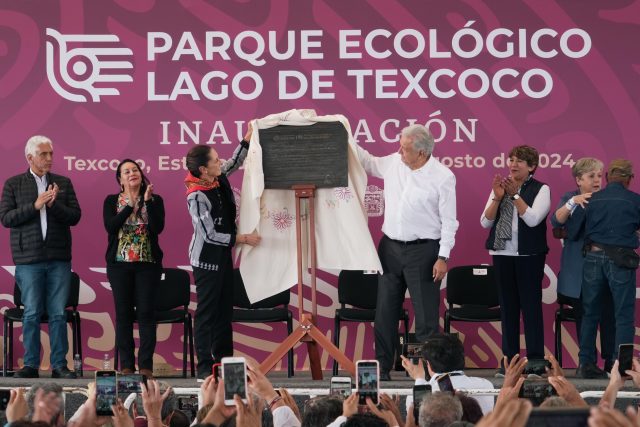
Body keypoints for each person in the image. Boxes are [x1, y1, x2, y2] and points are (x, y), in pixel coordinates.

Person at [355, 124, 459, 381]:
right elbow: (367, 161)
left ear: (422, 153)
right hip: (390, 248)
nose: (399, 152)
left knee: (425, 318)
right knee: (385, 312)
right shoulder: (393, 163)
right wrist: (344, 134)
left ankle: (427, 372)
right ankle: (382, 368)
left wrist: (442, 257)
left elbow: (449, 221)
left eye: (404, 149)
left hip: (424, 252)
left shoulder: (443, 177)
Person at [0, 135, 81, 379]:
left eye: (51, 154)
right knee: (32, 312)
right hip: (28, 259)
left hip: (59, 258)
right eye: (43, 154)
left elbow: (75, 217)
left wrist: (53, 204)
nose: (49, 158)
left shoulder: (63, 183)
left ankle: (59, 365)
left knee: (57, 312)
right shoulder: (13, 184)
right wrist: (35, 205)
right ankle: (31, 365)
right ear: (30, 157)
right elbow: (6, 218)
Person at [185, 124, 261, 380]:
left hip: (223, 257)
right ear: (204, 169)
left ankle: (225, 362)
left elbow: (234, 162)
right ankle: (205, 367)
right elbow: (209, 235)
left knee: (223, 311)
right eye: (216, 160)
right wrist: (243, 238)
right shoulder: (196, 196)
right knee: (207, 313)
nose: (221, 162)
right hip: (206, 260)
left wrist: (246, 140)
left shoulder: (216, 177)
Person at [480, 145, 550, 371]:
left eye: (520, 161)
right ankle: (509, 361)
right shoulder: (500, 188)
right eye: (511, 160)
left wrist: (515, 195)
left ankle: (536, 360)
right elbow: (485, 222)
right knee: (508, 309)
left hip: (529, 256)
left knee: (531, 308)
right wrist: (498, 199)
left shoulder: (542, 189)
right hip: (502, 254)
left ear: (532, 167)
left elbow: (533, 219)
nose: (513, 164)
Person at [550, 157, 615, 378]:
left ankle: (611, 359)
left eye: (599, 175)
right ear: (579, 179)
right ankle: (586, 362)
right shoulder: (570, 198)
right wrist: (574, 202)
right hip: (577, 271)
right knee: (584, 315)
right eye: (591, 176)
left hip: (605, 268)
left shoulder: (609, 198)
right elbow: (556, 221)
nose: (597, 180)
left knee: (608, 314)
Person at [103, 159, 164, 378]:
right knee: (123, 315)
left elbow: (158, 228)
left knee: (147, 314)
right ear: (120, 179)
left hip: (147, 265)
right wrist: (129, 204)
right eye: (126, 171)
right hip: (119, 266)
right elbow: (111, 227)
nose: (132, 173)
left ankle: (146, 366)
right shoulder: (112, 200)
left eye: (135, 170)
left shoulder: (154, 199)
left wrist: (146, 203)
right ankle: (127, 365)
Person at [580, 159, 640, 368]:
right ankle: (620, 366)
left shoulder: (592, 199)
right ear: (629, 179)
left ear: (606, 178)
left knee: (590, 313)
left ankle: (585, 364)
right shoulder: (635, 200)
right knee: (623, 314)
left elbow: (576, 230)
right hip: (621, 260)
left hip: (593, 257)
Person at [402, 333, 494, 415]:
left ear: (428, 365)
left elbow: (416, 422)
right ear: (462, 358)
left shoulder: (420, 393)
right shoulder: (486, 385)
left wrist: (419, 380)